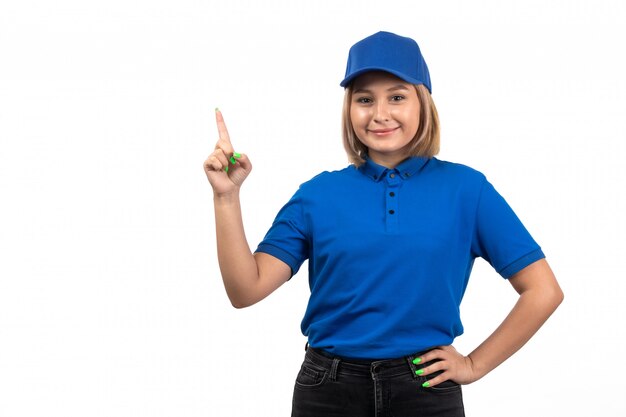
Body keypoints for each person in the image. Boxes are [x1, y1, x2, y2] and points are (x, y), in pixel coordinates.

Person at [204, 31, 563, 417]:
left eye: (397, 96)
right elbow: (246, 290)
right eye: (364, 99)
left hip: (426, 389)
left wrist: (474, 364)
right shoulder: (318, 194)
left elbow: (543, 290)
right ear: (349, 109)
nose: (380, 113)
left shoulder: (467, 190)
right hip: (328, 390)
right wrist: (226, 197)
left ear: (423, 103)